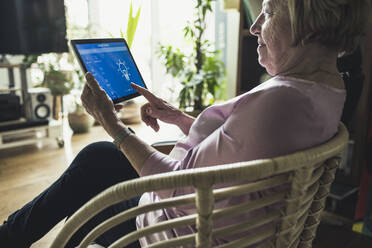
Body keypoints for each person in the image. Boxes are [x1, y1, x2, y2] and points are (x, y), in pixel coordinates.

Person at [1, 0, 370, 247]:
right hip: (234, 215)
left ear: (308, 22)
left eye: (269, 12)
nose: (256, 26)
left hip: (185, 231)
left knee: (88, 180)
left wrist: (113, 124)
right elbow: (243, 147)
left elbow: (179, 184)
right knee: (97, 159)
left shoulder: (280, 99)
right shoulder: (328, 88)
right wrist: (177, 117)